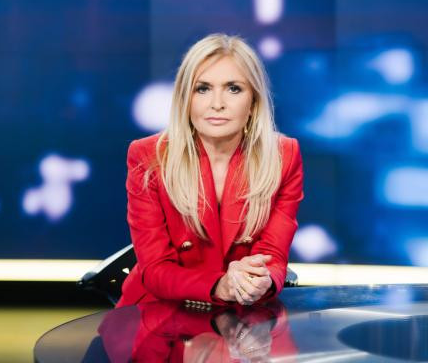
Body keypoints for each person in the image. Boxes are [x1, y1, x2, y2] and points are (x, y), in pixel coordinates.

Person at [116, 33, 304, 308]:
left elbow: (272, 255)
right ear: (186, 99)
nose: (217, 103)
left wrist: (262, 280)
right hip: (160, 310)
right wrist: (219, 284)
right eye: (202, 89)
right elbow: (155, 269)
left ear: (253, 102)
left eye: (233, 89)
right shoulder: (148, 156)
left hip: (240, 311)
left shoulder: (283, 156)